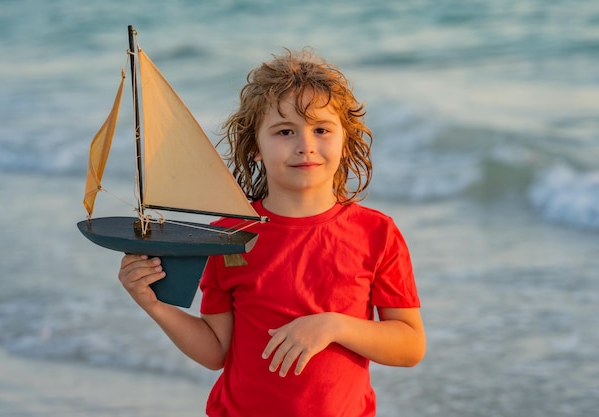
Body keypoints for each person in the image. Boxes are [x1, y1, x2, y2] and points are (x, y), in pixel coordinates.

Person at [118, 48, 425, 417]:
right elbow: (216, 350)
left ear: (345, 140)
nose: (305, 145)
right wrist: (154, 305)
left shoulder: (376, 233)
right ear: (256, 148)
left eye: (322, 129)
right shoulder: (228, 236)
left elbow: (409, 345)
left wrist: (333, 326)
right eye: (284, 131)